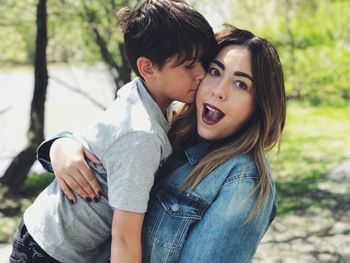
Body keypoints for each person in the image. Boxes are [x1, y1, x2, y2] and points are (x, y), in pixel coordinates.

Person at [31, 26, 286, 262]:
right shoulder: (168, 126)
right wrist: (62, 146)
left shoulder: (243, 187)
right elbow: (109, 136)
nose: (219, 90)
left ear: (260, 105)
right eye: (214, 71)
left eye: (240, 84)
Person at [9, 1, 217, 262]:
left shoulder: (143, 97)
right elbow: (125, 237)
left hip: (52, 237)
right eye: (188, 66)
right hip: (48, 250)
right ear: (148, 68)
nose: (201, 74)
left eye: (203, 62)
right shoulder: (141, 135)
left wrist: (63, 143)